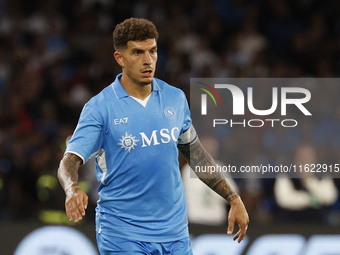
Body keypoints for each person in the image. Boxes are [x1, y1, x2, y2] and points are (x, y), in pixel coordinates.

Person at [57, 17, 249, 255]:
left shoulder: (175, 98)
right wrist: (72, 188)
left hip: (175, 233)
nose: (148, 61)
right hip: (122, 233)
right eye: (138, 52)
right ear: (120, 58)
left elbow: (196, 155)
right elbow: (69, 160)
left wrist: (233, 198)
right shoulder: (100, 108)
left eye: (153, 51)